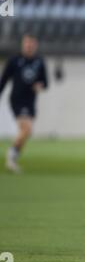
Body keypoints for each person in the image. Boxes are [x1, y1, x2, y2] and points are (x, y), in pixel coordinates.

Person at [0, 34, 48, 173]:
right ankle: (11, 156)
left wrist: (40, 85)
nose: (29, 46)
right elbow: (4, 80)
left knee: (27, 131)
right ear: (23, 44)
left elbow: (45, 82)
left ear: (35, 45)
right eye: (27, 43)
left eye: (31, 44)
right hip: (17, 99)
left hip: (30, 101)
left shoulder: (39, 62)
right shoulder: (14, 61)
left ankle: (13, 156)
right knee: (26, 129)